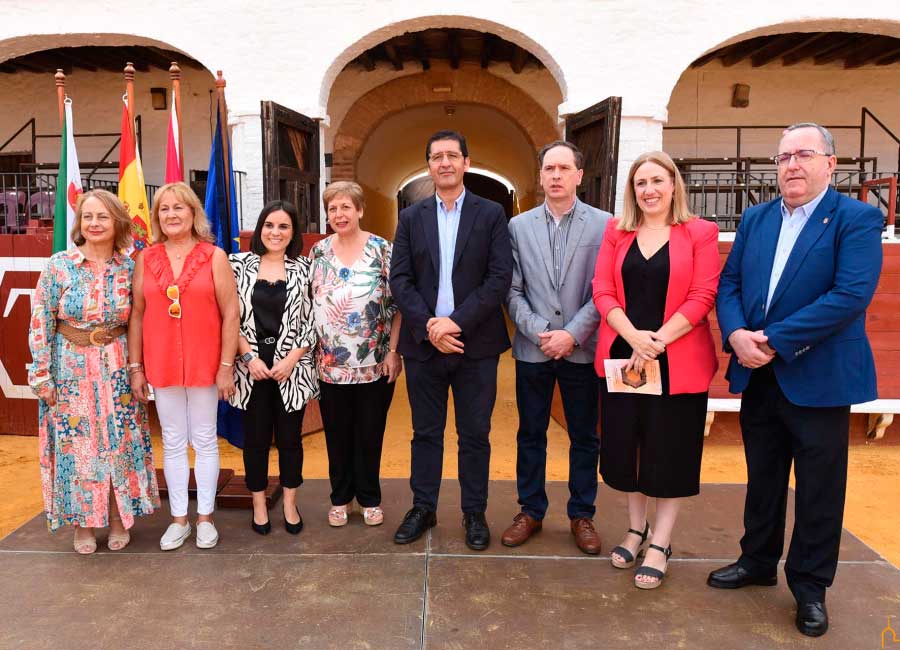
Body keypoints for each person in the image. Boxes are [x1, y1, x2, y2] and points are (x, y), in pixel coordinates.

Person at [709, 123, 883, 637]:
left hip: (818, 376)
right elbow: (731, 282)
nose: (791, 165)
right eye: (784, 157)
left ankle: (810, 587)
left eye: (804, 155)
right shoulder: (757, 217)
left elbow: (850, 296)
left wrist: (771, 340)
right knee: (762, 477)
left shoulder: (855, 218)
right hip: (759, 374)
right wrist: (737, 332)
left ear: (832, 163)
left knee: (819, 490)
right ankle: (757, 561)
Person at [592, 151, 720, 588]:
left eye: (657, 181)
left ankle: (661, 542)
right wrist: (634, 339)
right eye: (640, 183)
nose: (649, 190)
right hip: (626, 359)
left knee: (670, 452)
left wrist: (656, 342)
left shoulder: (700, 232)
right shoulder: (617, 230)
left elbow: (703, 295)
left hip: (676, 359)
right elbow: (602, 290)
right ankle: (635, 528)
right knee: (629, 449)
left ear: (673, 185)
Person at [389, 130, 513, 550]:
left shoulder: (492, 213)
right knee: (425, 432)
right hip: (424, 346)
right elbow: (400, 280)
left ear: (466, 162)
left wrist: (454, 323)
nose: (445, 163)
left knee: (475, 433)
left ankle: (473, 512)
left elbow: (499, 279)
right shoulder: (411, 218)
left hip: (476, 345)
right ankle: (423, 507)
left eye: (452, 156)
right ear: (428, 165)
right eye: (437, 156)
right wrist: (430, 327)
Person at [28, 189, 159, 553]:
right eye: (88, 217)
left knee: (118, 444)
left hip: (117, 366)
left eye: (102, 216)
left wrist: (138, 369)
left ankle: (118, 518)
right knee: (78, 448)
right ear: (79, 223)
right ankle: (84, 523)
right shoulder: (59, 265)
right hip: (69, 367)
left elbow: (140, 320)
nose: (95, 223)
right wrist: (42, 375)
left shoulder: (130, 267)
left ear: (116, 221)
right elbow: (40, 321)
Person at [501, 141, 609, 554]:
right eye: (550, 168)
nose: (557, 175)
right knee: (531, 433)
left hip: (582, 348)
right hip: (534, 349)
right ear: (541, 176)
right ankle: (530, 510)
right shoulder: (518, 226)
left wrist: (572, 334)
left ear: (580, 175)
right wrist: (543, 331)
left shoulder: (605, 225)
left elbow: (605, 288)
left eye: (565, 168)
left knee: (584, 436)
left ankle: (582, 514)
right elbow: (511, 290)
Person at [128, 181, 239, 551]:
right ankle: (179, 520)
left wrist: (226, 365)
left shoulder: (214, 256)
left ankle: (205, 518)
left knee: (205, 439)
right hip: (161, 362)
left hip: (206, 362)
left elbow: (230, 313)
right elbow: (138, 315)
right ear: (157, 216)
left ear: (193, 213)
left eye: (179, 207)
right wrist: (136, 366)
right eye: (164, 208)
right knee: (173, 441)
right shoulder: (146, 258)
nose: (172, 214)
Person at [310, 181, 402, 527]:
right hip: (330, 364)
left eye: (346, 207)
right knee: (336, 432)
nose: (339, 214)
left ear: (360, 210)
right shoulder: (317, 253)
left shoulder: (382, 249)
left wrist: (394, 351)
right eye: (333, 208)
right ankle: (340, 497)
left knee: (369, 432)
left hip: (375, 363)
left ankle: (369, 497)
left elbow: (397, 307)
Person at [229, 200, 317, 536]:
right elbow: (228, 317)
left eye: (283, 227)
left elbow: (314, 320)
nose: (275, 232)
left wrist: (292, 358)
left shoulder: (305, 269)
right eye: (269, 225)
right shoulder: (238, 265)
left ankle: (291, 503)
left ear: (293, 232)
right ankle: (259, 504)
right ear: (259, 229)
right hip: (249, 370)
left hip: (290, 371)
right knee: (255, 441)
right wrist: (249, 357)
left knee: (291, 441)